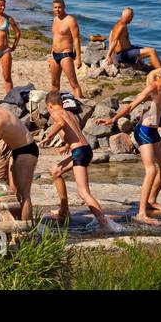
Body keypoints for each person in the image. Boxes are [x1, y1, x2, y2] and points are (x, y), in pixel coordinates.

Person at [95, 60, 161, 225]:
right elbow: (131, 105)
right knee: (151, 170)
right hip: (143, 130)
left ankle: (152, 201)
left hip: (154, 132)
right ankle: (141, 213)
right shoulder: (152, 88)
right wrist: (112, 119)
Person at [41, 91, 114, 231]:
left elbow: (60, 123)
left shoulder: (56, 113)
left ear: (50, 105)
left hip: (79, 152)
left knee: (83, 192)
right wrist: (67, 145)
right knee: (56, 171)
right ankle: (64, 210)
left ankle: (105, 224)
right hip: (84, 149)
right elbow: (75, 132)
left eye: (48, 108)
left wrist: (48, 136)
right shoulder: (70, 113)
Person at [49, 0, 83, 98]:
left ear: (64, 7)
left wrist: (78, 59)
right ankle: (56, 105)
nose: (57, 10)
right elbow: (55, 38)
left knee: (73, 84)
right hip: (54, 55)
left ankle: (81, 105)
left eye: (59, 7)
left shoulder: (70, 20)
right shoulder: (55, 19)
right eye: (55, 7)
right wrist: (51, 55)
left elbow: (76, 39)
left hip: (66, 55)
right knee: (54, 84)